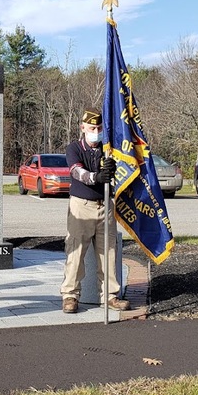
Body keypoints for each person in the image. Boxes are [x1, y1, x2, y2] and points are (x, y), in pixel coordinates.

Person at [60, 110, 130, 313]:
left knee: (108, 252)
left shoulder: (109, 150)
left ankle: (111, 295)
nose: (96, 132)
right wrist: (96, 177)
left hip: (105, 205)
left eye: (99, 128)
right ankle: (70, 296)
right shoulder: (74, 148)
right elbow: (76, 171)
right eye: (92, 128)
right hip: (81, 207)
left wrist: (113, 168)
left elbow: (122, 171)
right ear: (83, 128)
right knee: (75, 252)